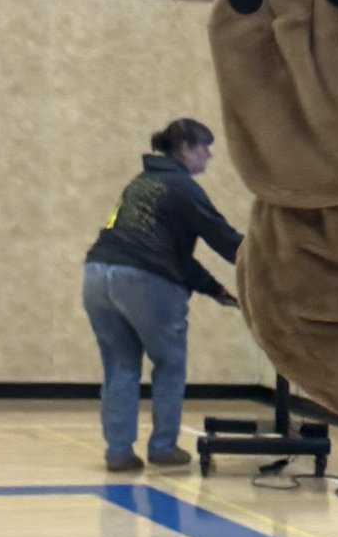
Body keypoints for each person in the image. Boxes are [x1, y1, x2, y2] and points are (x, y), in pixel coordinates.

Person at [81, 117, 241, 472]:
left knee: (120, 365)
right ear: (185, 149)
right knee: (169, 363)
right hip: (144, 280)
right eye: (205, 147)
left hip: (96, 276)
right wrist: (270, 263)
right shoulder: (183, 187)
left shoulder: (139, 185)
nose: (210, 156)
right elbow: (224, 240)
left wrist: (214, 289)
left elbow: (174, 255)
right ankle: (163, 447)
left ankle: (118, 453)